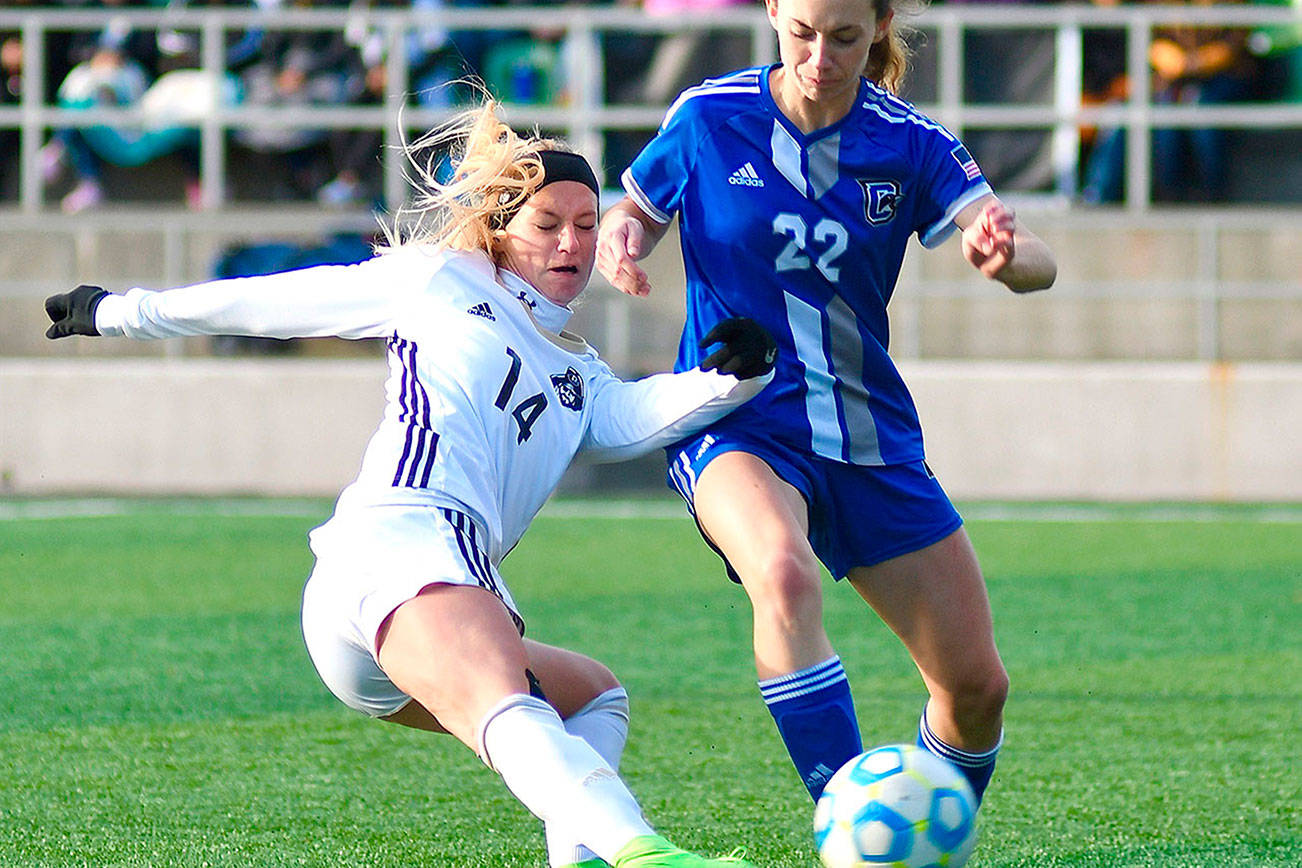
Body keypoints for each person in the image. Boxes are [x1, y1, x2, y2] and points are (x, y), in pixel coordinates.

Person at [43, 97, 775, 868]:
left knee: (594, 696)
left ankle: (590, 857)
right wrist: (123, 311)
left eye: (588, 225)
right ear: (499, 227)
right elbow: (279, 300)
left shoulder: (576, 374)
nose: (571, 243)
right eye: (547, 223)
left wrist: (730, 378)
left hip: (406, 608)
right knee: (512, 703)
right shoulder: (438, 279)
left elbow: (635, 413)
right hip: (402, 538)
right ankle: (643, 853)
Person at [596, 0, 1057, 808]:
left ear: (879, 26)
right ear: (773, 12)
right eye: (802, 33)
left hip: (869, 438)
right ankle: (848, 817)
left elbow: (1036, 263)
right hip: (738, 421)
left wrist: (1008, 253)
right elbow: (632, 209)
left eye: (844, 36)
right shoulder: (710, 116)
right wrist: (619, 235)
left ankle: (920, 832)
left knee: (976, 690)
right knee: (782, 573)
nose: (819, 56)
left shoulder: (910, 142)